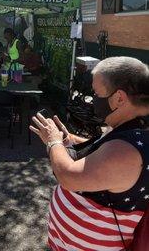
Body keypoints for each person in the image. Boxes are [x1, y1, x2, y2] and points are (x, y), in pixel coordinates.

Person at [30, 57, 149, 251]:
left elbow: (68, 176)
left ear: (119, 98)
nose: (92, 99)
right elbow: (102, 149)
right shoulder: (132, 129)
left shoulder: (128, 150)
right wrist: (70, 141)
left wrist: (54, 141)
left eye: (95, 93)